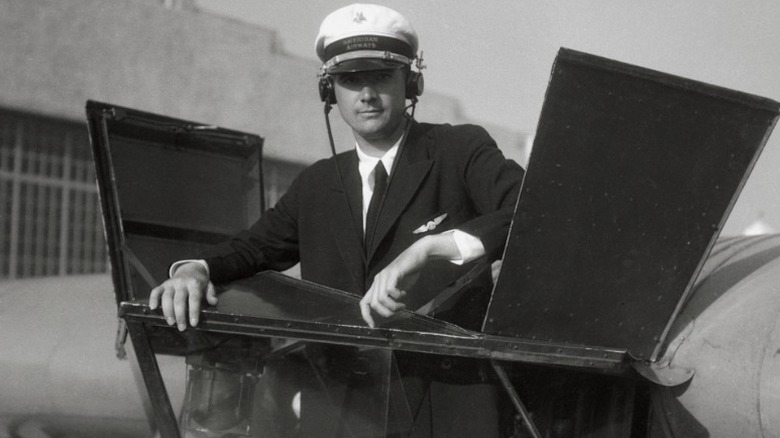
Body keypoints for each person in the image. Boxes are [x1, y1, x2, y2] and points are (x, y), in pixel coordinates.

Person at [150, 3, 524, 436]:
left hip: (447, 413)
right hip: (341, 416)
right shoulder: (316, 185)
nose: (366, 94)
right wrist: (196, 269)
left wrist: (432, 247)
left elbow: (532, 214)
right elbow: (253, 248)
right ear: (330, 92)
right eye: (349, 80)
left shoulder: (459, 150)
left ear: (412, 82)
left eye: (381, 76)